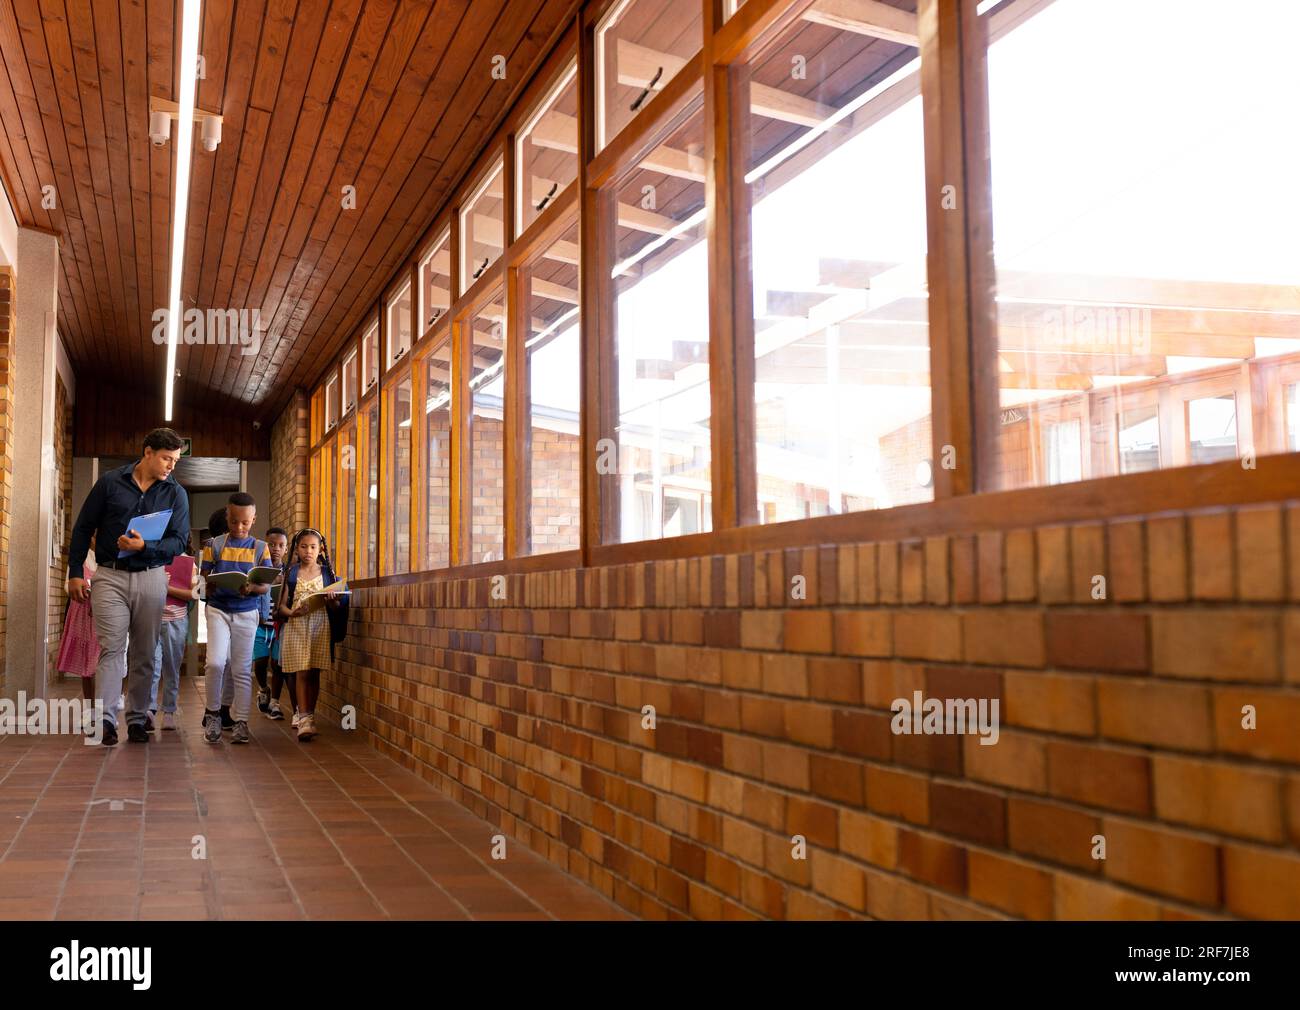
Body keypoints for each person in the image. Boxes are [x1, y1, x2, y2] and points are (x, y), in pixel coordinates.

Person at [67, 429, 191, 746]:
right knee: (112, 648)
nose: (170, 466)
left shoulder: (176, 494)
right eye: (166, 458)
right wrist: (75, 573)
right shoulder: (110, 482)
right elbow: (83, 527)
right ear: (147, 452)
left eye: (175, 461)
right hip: (109, 576)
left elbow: (178, 542)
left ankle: (137, 719)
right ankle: (106, 721)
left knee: (145, 652)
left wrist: (143, 547)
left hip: (151, 576)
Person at [200, 493, 272, 744]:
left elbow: (265, 586)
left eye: (244, 522)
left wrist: (252, 588)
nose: (239, 527)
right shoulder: (214, 545)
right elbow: (205, 579)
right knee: (216, 663)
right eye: (233, 521)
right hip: (218, 609)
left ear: (253, 519)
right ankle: (213, 714)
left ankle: (241, 721)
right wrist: (209, 584)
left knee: (241, 669)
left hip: (247, 611)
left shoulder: (261, 548)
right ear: (227, 516)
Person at [276, 529, 347, 742]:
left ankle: (310, 716)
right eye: (304, 546)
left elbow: (335, 607)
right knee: (301, 672)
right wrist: (292, 612)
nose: (308, 551)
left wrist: (332, 600)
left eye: (313, 547)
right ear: (297, 549)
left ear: (320, 549)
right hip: (297, 625)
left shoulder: (327, 574)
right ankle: (304, 716)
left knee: (314, 672)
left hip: (319, 626)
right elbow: (281, 607)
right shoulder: (292, 573)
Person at [150, 535, 197, 731]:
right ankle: (149, 711)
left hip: (176, 622)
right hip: (152, 619)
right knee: (151, 667)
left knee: (171, 668)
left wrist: (166, 587)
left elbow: (193, 594)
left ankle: (169, 710)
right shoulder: (152, 557)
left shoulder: (187, 563)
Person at [56, 533, 100, 723]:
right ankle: (91, 708)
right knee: (86, 666)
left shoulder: (111, 558)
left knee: (102, 663)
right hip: (82, 614)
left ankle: (105, 708)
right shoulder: (79, 557)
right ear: (91, 538)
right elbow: (68, 585)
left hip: (103, 614)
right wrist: (81, 588)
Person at [254, 528, 289, 719]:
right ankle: (263, 688)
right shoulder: (258, 570)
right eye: (271, 544)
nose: (276, 549)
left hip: (279, 625)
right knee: (260, 662)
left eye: (281, 545)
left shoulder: (289, 572)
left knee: (277, 665)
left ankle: (275, 702)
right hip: (259, 624)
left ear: (286, 549)